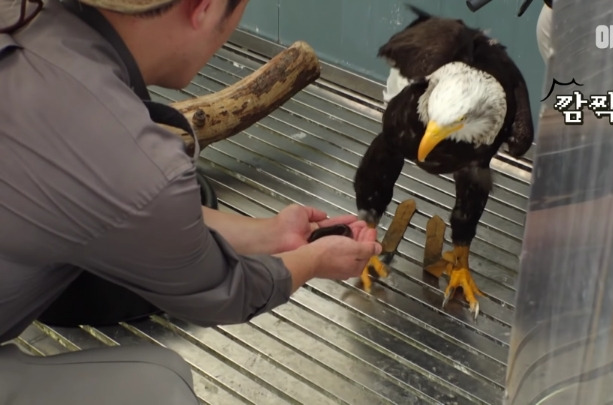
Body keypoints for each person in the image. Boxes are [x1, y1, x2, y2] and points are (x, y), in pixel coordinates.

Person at [0, 0, 381, 402]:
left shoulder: (25, 19)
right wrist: (316, 260)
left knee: (162, 372)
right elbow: (225, 290)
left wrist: (271, 234)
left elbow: (112, 207)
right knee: (160, 391)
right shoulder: (130, 157)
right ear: (205, 7)